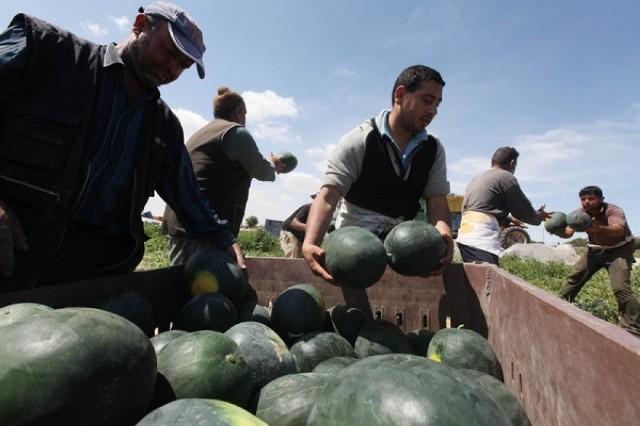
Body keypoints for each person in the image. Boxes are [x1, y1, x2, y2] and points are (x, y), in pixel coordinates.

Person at [0, 2, 245, 291]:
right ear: (140, 25)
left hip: (86, 283)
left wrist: (226, 240)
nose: (173, 68)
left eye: (183, 65)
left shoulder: (163, 127)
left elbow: (189, 197)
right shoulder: (47, 51)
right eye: (169, 51)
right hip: (13, 259)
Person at [302, 64, 454, 282]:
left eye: (437, 105)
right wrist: (310, 243)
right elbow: (328, 197)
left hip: (401, 242)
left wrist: (444, 234)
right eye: (427, 100)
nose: (433, 111)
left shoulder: (433, 149)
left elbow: (437, 202)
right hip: (356, 242)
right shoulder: (361, 139)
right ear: (400, 95)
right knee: (358, 261)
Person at [162, 86, 287, 265]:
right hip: (207, 230)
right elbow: (262, 171)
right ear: (237, 112)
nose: (245, 120)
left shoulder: (202, 133)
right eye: (245, 114)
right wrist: (273, 164)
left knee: (181, 287)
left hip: (181, 224)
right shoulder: (236, 132)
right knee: (207, 290)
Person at [550, 186, 639, 338]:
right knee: (574, 279)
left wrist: (598, 229)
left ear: (601, 199)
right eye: (583, 199)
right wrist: (557, 230)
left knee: (621, 288)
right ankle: (556, 310)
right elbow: (568, 233)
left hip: (619, 251)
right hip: (595, 250)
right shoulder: (579, 214)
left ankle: (633, 329)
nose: (586, 202)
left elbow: (619, 230)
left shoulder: (613, 210)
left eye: (591, 199)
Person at [456, 147, 551, 265]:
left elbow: (481, 209)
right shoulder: (505, 177)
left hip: (466, 238)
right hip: (481, 240)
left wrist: (509, 219)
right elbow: (523, 210)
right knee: (488, 279)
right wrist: (538, 217)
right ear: (512, 163)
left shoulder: (477, 178)